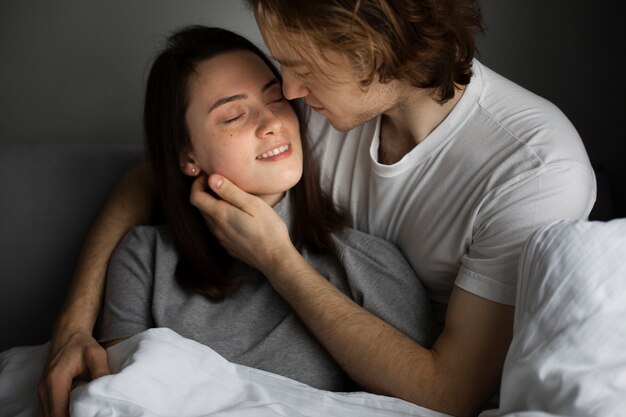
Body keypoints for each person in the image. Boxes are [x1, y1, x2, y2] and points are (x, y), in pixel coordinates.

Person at [38, 1, 597, 417]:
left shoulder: (536, 168)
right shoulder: (323, 110)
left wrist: (277, 260)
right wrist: (71, 327)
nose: (290, 90)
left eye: (298, 64)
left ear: (371, 43)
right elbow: (149, 179)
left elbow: (448, 395)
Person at [98, 24, 433, 392]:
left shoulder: (370, 267)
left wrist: (278, 260)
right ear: (188, 156)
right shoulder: (144, 259)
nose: (272, 123)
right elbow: (121, 399)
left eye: (276, 100)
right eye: (233, 116)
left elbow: (420, 402)